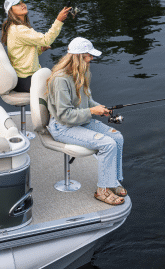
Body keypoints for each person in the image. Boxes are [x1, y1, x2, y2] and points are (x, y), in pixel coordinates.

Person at [46, 37, 126, 206]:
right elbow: (64, 115)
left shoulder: (83, 73)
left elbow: (87, 101)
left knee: (117, 137)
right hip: (63, 127)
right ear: (78, 57)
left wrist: (101, 109)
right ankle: (102, 191)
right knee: (107, 144)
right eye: (88, 56)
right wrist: (91, 112)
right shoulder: (60, 80)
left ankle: (112, 181)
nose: (91, 59)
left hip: (79, 121)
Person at [1, 0, 72, 92]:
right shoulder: (19, 30)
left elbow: (22, 52)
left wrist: (40, 49)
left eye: (22, 2)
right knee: (63, 85)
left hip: (23, 78)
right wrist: (59, 20)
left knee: (62, 82)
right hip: (26, 80)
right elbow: (45, 39)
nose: (22, 5)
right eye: (17, 4)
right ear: (10, 11)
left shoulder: (14, 27)